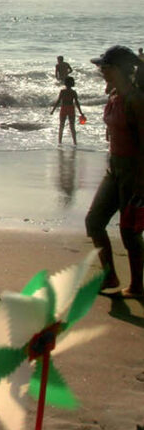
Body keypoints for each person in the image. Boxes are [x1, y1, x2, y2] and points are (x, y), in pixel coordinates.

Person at [85, 46, 144, 297]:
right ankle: (109, 276)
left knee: (129, 231)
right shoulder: (115, 95)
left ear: (118, 69)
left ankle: (137, 287)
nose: (101, 71)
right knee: (94, 221)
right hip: (115, 167)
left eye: (105, 67)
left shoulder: (136, 100)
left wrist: (141, 182)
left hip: (134, 170)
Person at [51, 76, 85, 146]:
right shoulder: (73, 92)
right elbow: (77, 103)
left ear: (65, 83)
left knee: (61, 125)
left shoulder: (62, 91)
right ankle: (75, 142)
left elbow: (58, 101)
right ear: (72, 83)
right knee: (72, 126)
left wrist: (53, 110)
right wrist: (81, 112)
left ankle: (60, 142)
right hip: (71, 109)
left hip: (64, 108)